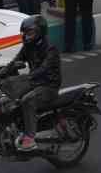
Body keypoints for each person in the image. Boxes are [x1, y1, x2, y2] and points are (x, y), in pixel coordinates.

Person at [4, 14, 62, 152]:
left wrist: (27, 77)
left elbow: (43, 69)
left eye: (30, 33)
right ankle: (14, 129)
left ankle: (30, 138)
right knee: (6, 93)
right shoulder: (28, 46)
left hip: (49, 86)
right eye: (25, 33)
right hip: (36, 82)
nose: (27, 36)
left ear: (40, 32)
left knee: (27, 100)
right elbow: (15, 62)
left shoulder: (50, 48)